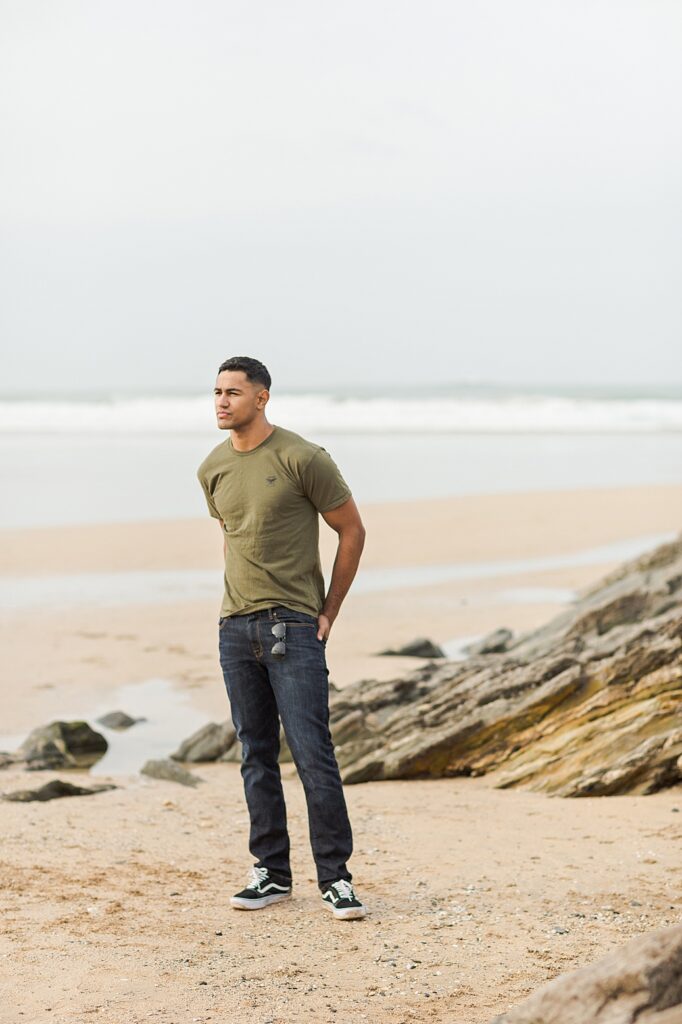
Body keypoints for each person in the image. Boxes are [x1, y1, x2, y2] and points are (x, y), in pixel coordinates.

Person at [197, 356, 367, 921]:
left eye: (233, 392)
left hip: (293, 627)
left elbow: (351, 530)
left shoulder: (302, 457)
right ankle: (271, 873)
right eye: (217, 391)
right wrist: (231, 612)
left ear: (262, 398)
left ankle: (336, 879)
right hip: (234, 628)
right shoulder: (212, 468)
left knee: (314, 755)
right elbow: (233, 536)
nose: (222, 401)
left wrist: (328, 612)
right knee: (255, 755)